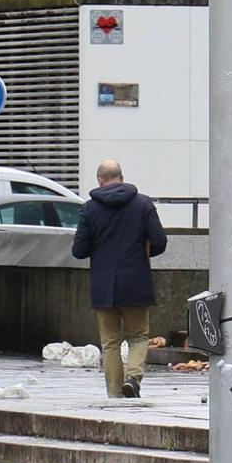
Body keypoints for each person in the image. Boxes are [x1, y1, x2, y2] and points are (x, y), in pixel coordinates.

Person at [70, 159, 168, 399]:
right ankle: (133, 378)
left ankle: (115, 393)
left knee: (111, 342)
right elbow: (160, 241)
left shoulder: (89, 209)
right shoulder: (143, 204)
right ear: (121, 178)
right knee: (138, 336)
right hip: (136, 281)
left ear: (100, 180)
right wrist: (143, 253)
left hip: (104, 286)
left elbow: (79, 251)